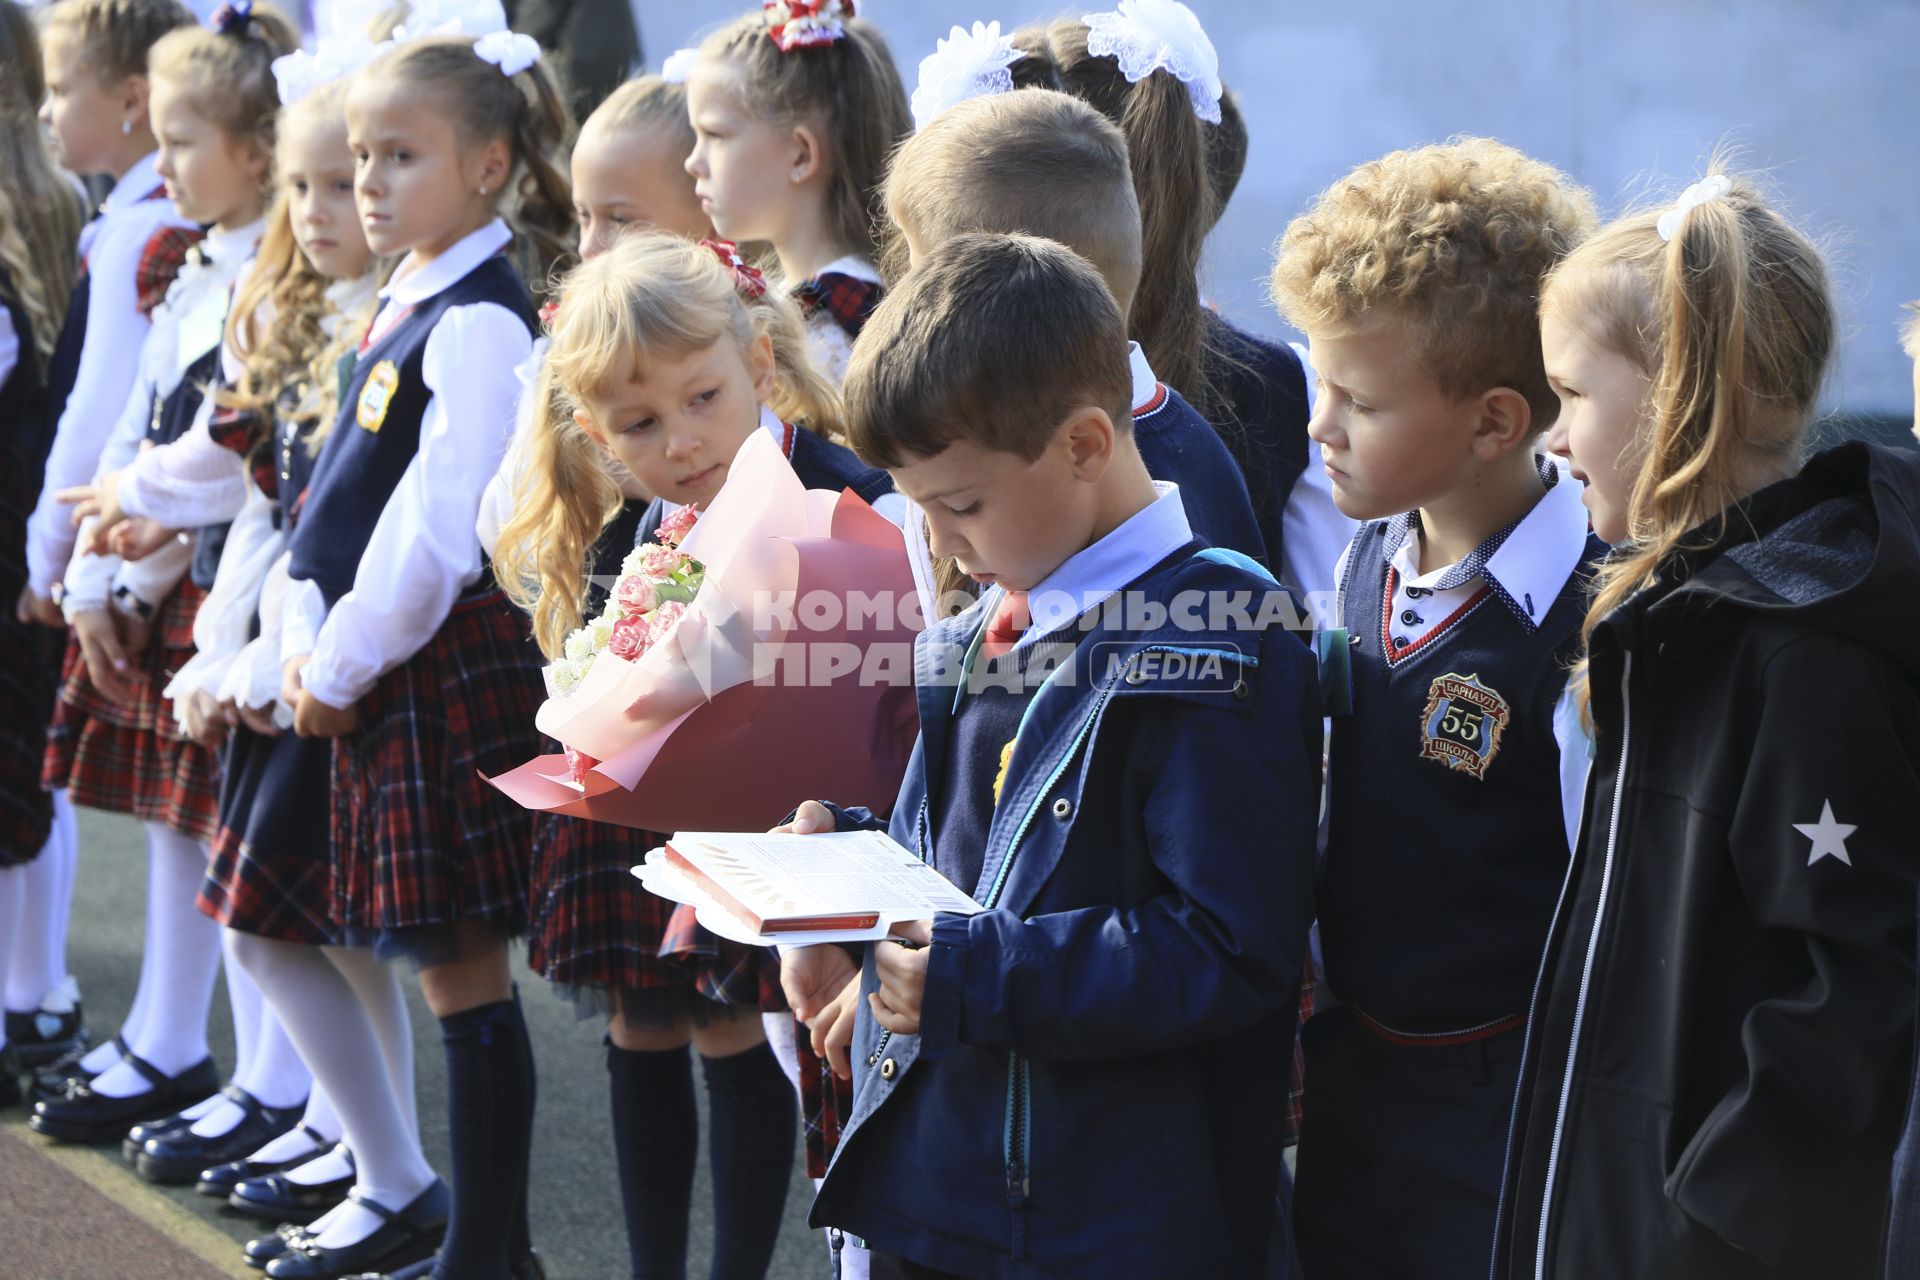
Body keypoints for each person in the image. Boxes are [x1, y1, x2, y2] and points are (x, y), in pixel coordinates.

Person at [783, 231, 1321, 1277]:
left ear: (1084, 442)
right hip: (948, 1185)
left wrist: (973, 975)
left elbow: (1226, 948)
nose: (937, 541)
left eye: (962, 503)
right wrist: (835, 870)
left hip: (1103, 1221)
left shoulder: (1220, 631)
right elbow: (958, 868)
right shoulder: (980, 627)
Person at [1494, 170, 1920, 1280]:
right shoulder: (1673, 627)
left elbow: (1865, 973)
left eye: (1573, 394)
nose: (1551, 438)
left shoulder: (1799, 656)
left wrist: (1715, 1212)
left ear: (1684, 392)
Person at [493, 228, 897, 1280]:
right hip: (717, 842)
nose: (680, 439)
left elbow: (890, 678)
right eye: (638, 422)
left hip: (844, 856)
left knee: (840, 1087)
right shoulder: (656, 525)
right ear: (595, 432)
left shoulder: (850, 500)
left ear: (759, 363)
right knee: (714, 1035)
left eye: (703, 397)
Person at [252, 29, 573, 1280]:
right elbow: (330, 501)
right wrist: (302, 638)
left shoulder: (480, 319)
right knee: (450, 972)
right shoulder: (410, 296)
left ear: (489, 165)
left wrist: (335, 665)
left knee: (461, 971)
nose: (368, 180)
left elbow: (439, 529)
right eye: (358, 156)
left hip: (428, 674)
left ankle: (486, 1256)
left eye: (400, 155)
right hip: (376, 668)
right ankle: (495, 1256)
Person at [1267, 137, 1600, 1280]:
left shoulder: (1595, 623)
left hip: (1512, 1107)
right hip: (1360, 1081)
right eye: (1321, 384)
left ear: (1496, 423)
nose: (1320, 426)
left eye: (1359, 400)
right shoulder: (1366, 556)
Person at [33, 2, 295, 1145]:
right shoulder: (181, 256)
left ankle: (275, 1083)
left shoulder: (269, 270)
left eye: (187, 140)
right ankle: (170, 1033)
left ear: (256, 151)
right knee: (175, 822)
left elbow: (234, 451)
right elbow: (141, 419)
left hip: (223, 581)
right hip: (159, 572)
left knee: (247, 850)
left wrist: (113, 551)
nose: (168, 161)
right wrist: (97, 574)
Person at [13, 0, 199, 1079]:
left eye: (61, 85)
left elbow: (100, 415)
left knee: (186, 818)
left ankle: (162, 1039)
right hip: (136, 550)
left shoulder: (140, 225)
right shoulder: (128, 214)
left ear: (130, 100)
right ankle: (158, 1035)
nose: (44, 110)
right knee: (173, 817)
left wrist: (55, 560)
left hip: (134, 551)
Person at [0, 0, 88, 1105]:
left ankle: (38, 992)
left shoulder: (44, 205)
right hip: (24, 525)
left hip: (21, 529)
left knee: (27, 769)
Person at [682, 0, 910, 384]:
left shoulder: (825, 330)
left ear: (801, 155)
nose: (692, 162)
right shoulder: (823, 302)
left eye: (715, 135)